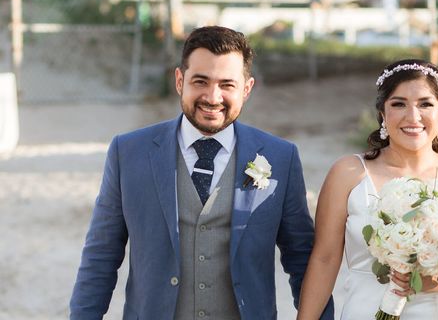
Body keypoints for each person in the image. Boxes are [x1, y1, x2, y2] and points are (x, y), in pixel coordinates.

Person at [70, 26, 333, 320]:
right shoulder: (128, 152)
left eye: (227, 84)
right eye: (201, 81)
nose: (212, 96)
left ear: (246, 89)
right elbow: (101, 256)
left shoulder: (280, 157)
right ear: (180, 80)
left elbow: (302, 260)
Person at [297, 59, 438, 319]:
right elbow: (325, 259)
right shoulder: (348, 174)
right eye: (399, 104)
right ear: (383, 113)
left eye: (425, 104)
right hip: (365, 309)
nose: (413, 117)